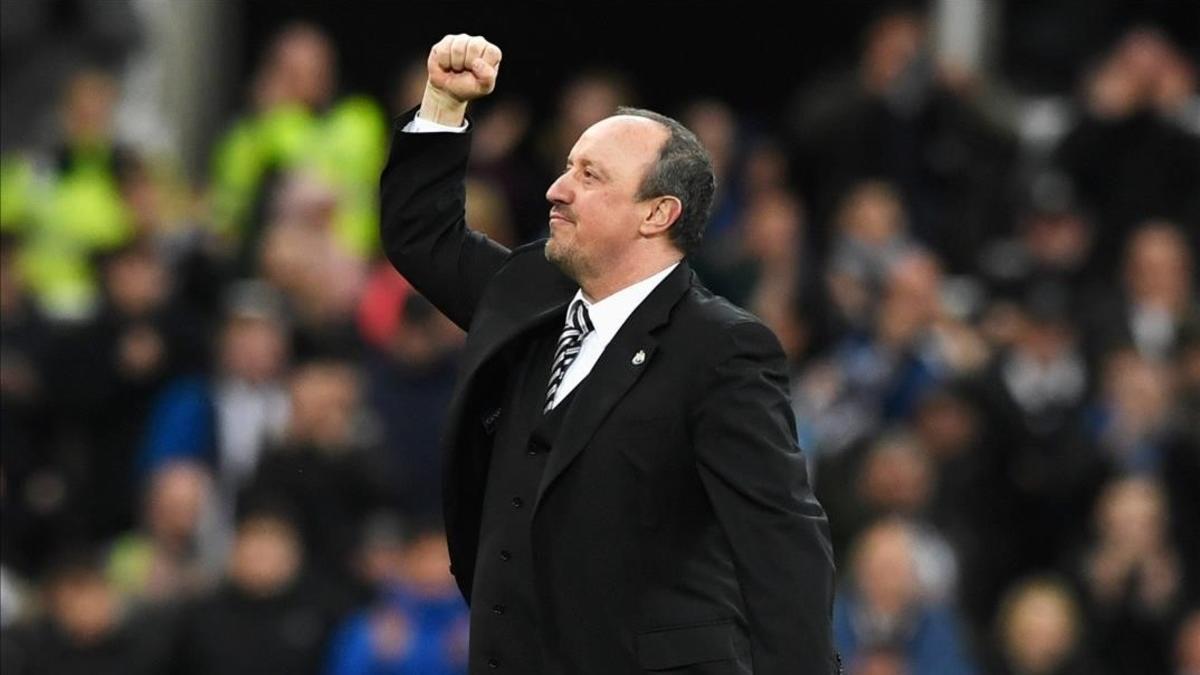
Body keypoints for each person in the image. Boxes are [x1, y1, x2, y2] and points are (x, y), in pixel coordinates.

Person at [380, 34, 836, 674]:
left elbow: (782, 542)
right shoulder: (527, 293)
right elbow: (422, 234)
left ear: (657, 213)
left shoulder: (723, 348)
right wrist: (443, 104)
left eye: (588, 175)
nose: (556, 190)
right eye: (567, 167)